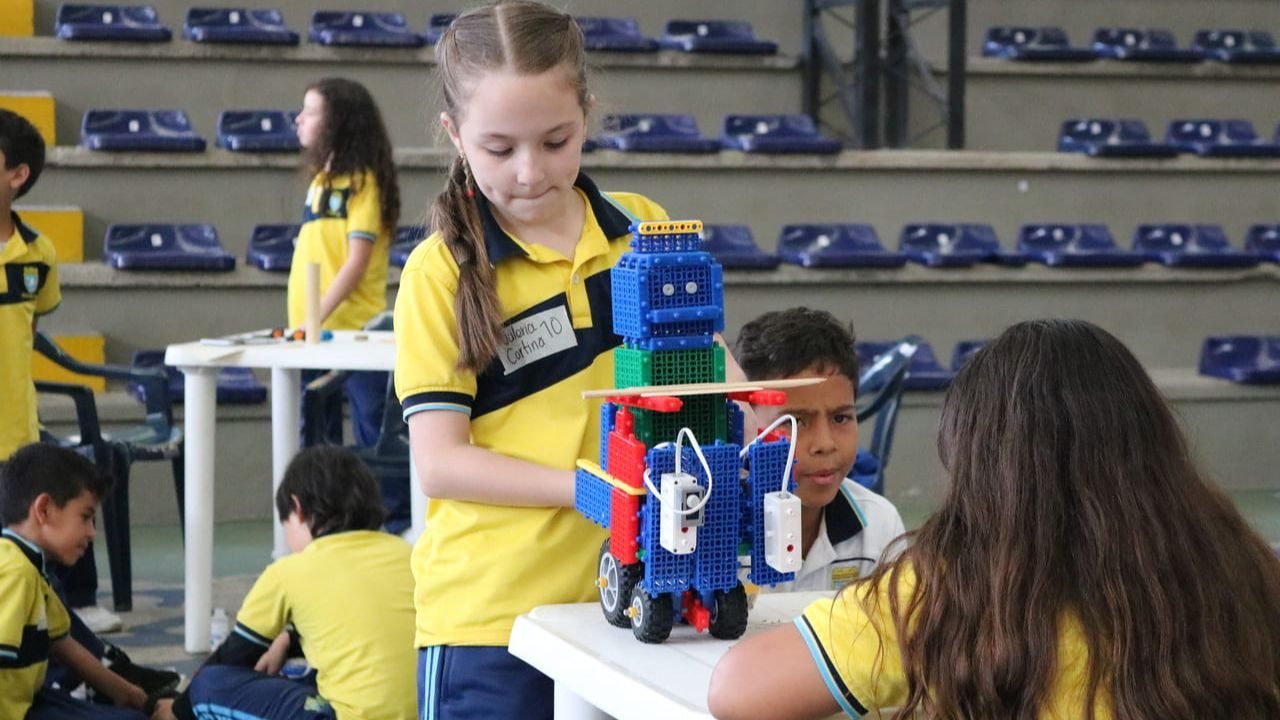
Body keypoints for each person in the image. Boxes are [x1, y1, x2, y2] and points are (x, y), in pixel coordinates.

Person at [392, 2, 758, 717]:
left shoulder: (644, 227)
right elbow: (441, 462)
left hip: (641, 601)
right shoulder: (439, 274)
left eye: (556, 140)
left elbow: (713, 369)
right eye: (499, 149)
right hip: (494, 624)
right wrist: (593, 490)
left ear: (587, 114)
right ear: (455, 136)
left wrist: (742, 429)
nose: (530, 172)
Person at [708, 319, 1280, 719]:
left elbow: (738, 691)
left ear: (977, 460)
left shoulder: (948, 589)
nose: (824, 444)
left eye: (842, 417)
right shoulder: (1246, 568)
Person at [151, 447, 415, 720]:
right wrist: (287, 641)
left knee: (208, 685)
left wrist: (177, 708)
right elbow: (368, 626)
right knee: (316, 676)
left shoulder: (289, 572)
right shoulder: (408, 553)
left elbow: (234, 657)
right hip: (433, 711)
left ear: (297, 508)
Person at [0, 108, 119, 634]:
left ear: (16, 175)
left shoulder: (38, 254)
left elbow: (35, 319)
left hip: (16, 434)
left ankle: (67, 631)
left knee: (25, 574)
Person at [734, 308, 905, 592]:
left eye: (841, 418)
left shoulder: (878, 527)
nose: (825, 443)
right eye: (796, 421)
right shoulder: (712, 533)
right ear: (745, 425)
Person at [0, 443, 149, 719]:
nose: (92, 533)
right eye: (85, 517)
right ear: (43, 509)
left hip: (26, 698)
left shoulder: (32, 569)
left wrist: (123, 691)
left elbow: (62, 643)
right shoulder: (14, 572)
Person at [291, 77, 399, 448]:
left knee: (373, 433)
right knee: (316, 439)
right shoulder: (320, 180)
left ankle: (392, 508)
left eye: (310, 112)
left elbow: (356, 263)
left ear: (338, 122)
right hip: (313, 334)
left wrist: (314, 316)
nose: (299, 120)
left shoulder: (363, 183)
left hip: (355, 333)